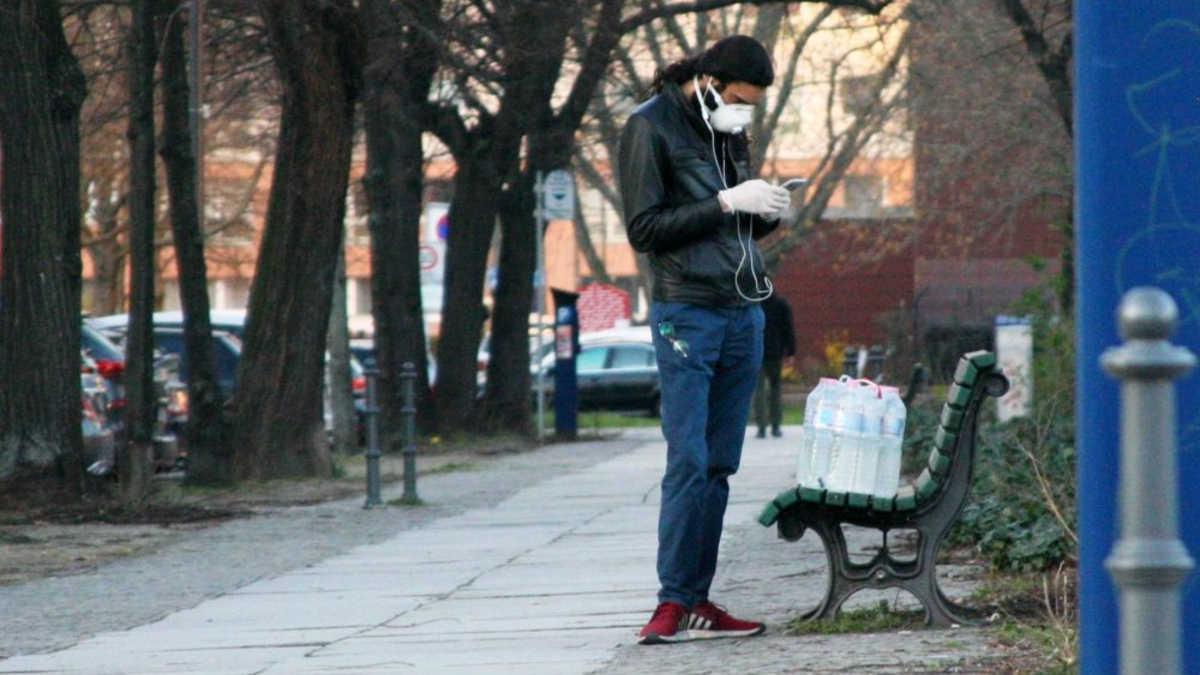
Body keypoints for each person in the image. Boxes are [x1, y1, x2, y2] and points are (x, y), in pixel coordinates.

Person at [617, 35, 789, 645]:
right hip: (686, 312)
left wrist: (764, 209)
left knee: (719, 465)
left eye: (753, 104)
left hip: (744, 309)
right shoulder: (649, 127)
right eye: (740, 99)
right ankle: (670, 601)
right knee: (687, 460)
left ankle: (698, 599)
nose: (745, 112)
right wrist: (723, 200)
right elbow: (644, 229)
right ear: (709, 80)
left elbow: (734, 225)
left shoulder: (727, 130)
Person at [754, 293, 796, 438]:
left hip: (757, 352)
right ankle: (776, 425)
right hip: (775, 352)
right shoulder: (781, 305)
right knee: (775, 388)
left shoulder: (754, 305)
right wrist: (791, 351)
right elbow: (788, 328)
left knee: (758, 390)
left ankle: (761, 427)